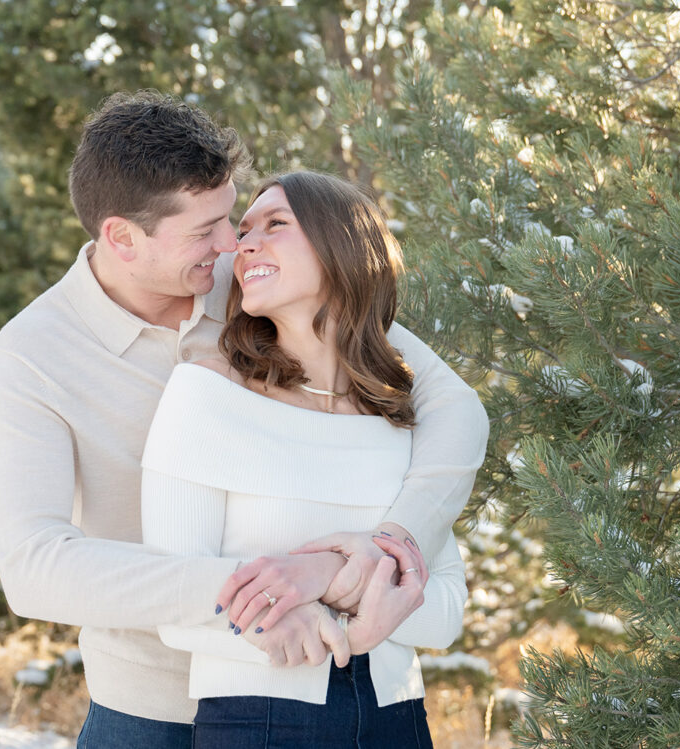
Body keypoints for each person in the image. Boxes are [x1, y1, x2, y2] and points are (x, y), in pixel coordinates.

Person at [0, 91, 488, 748]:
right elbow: (34, 565)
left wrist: (383, 550)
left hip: (321, 688)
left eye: (233, 217)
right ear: (121, 237)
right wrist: (261, 590)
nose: (230, 243)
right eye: (205, 230)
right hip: (148, 706)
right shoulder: (35, 354)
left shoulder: (257, 281)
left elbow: (452, 407)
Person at [141, 171, 472, 747]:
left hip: (399, 717)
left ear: (343, 244)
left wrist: (323, 578)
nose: (245, 244)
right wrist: (325, 613)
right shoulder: (206, 396)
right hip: (260, 717)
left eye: (276, 224)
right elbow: (174, 604)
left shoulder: (399, 413)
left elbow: (444, 612)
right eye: (243, 231)